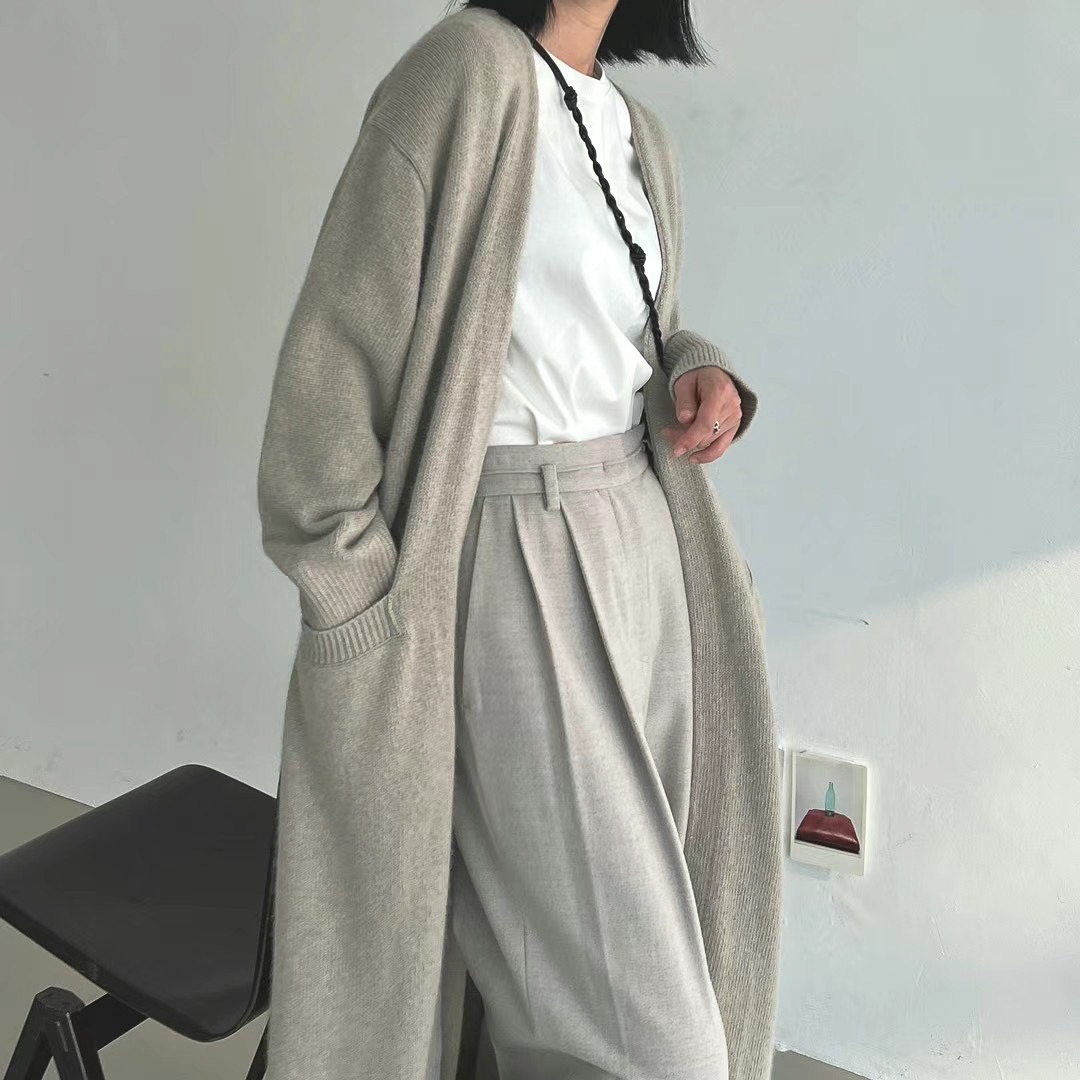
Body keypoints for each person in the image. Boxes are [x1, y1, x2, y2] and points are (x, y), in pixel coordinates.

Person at [255, 3, 783, 1079]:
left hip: (646, 540)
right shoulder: (464, 74)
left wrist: (693, 366)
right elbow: (333, 363)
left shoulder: (635, 128)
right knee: (658, 1049)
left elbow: (606, 333)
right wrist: (357, 597)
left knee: (599, 982)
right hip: (513, 547)